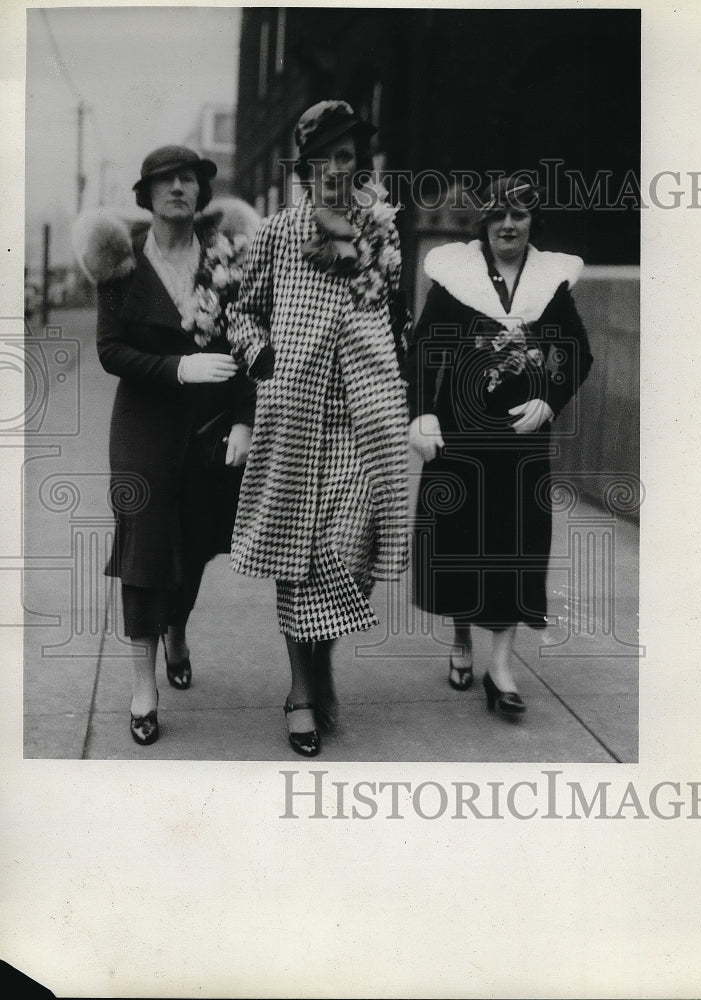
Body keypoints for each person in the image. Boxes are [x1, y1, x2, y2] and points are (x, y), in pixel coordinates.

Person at [227, 100, 409, 758]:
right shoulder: (277, 232)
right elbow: (242, 314)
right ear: (305, 165)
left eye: (348, 154)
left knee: (350, 548)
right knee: (296, 553)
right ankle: (302, 688)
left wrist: (402, 397)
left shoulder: (379, 231)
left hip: (364, 419)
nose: (340, 167)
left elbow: (388, 317)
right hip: (295, 415)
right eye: (327, 156)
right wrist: (262, 358)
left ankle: (319, 657)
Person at [405, 175, 593, 719]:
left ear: (533, 223)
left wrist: (551, 399)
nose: (508, 225)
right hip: (461, 433)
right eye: (497, 217)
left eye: (519, 215)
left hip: (521, 439)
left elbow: (578, 354)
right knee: (461, 539)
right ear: (483, 225)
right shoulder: (457, 278)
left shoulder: (550, 283)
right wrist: (422, 412)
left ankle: (502, 667)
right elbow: (422, 352)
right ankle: (462, 638)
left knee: (516, 544)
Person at [90, 145, 256, 746]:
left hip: (210, 431)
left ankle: (177, 631)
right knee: (144, 551)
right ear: (147, 193)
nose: (178, 188)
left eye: (189, 178)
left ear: (202, 192)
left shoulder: (229, 257)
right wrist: (177, 369)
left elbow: (248, 348)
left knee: (194, 544)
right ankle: (143, 685)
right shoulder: (121, 263)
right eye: (165, 180)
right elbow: (110, 350)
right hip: (143, 428)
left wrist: (245, 420)